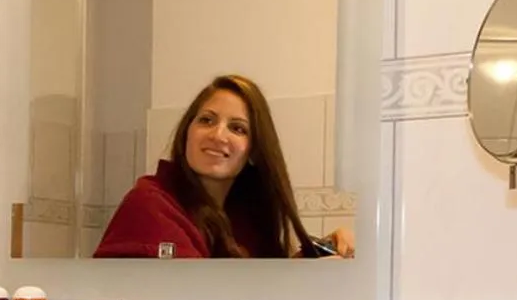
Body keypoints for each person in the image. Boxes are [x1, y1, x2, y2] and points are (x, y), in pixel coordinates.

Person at [94, 73, 355, 260]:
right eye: (207, 120)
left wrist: (318, 254)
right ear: (187, 133)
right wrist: (300, 284)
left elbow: (251, 289)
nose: (218, 135)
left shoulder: (242, 220)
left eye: (237, 128)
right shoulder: (150, 205)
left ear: (254, 152)